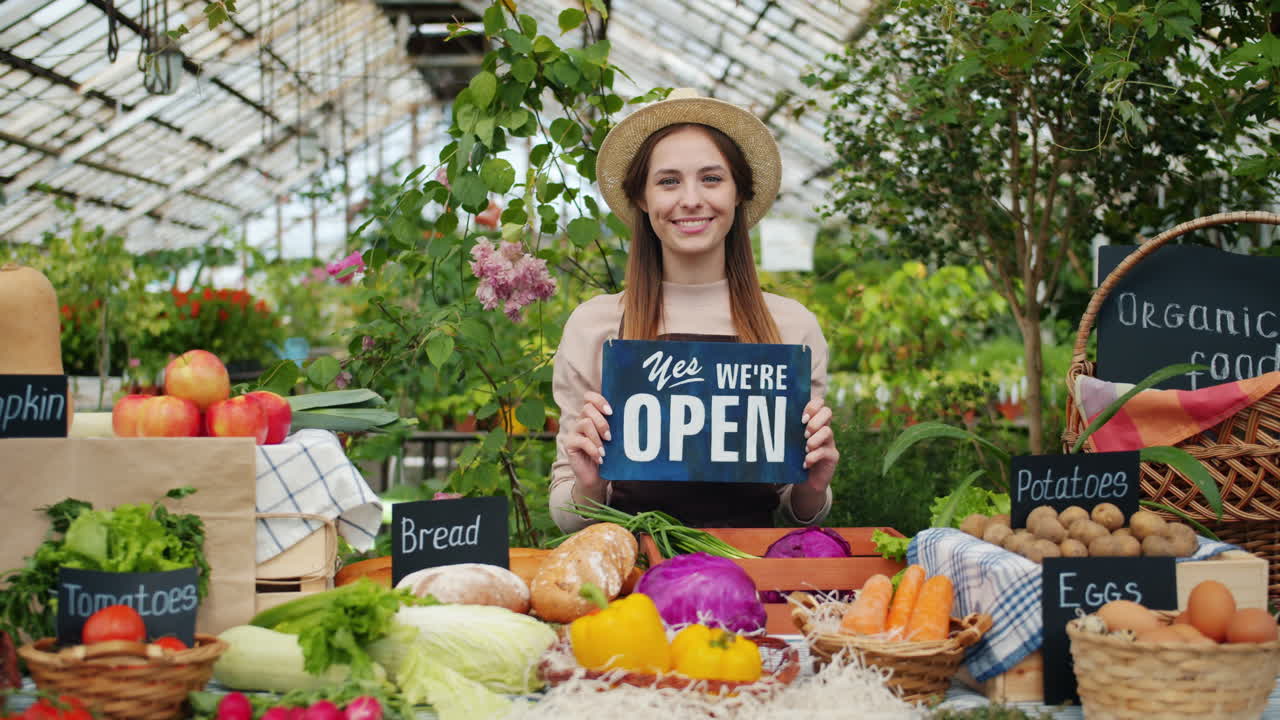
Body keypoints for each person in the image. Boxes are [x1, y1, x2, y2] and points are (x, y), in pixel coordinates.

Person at [548, 88, 838, 533]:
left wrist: (813, 486)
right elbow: (568, 516)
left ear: (738, 192)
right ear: (642, 198)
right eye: (668, 181)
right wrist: (588, 483)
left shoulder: (792, 327)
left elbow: (795, 508)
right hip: (633, 569)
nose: (690, 199)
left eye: (711, 178)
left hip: (750, 568)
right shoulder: (594, 326)